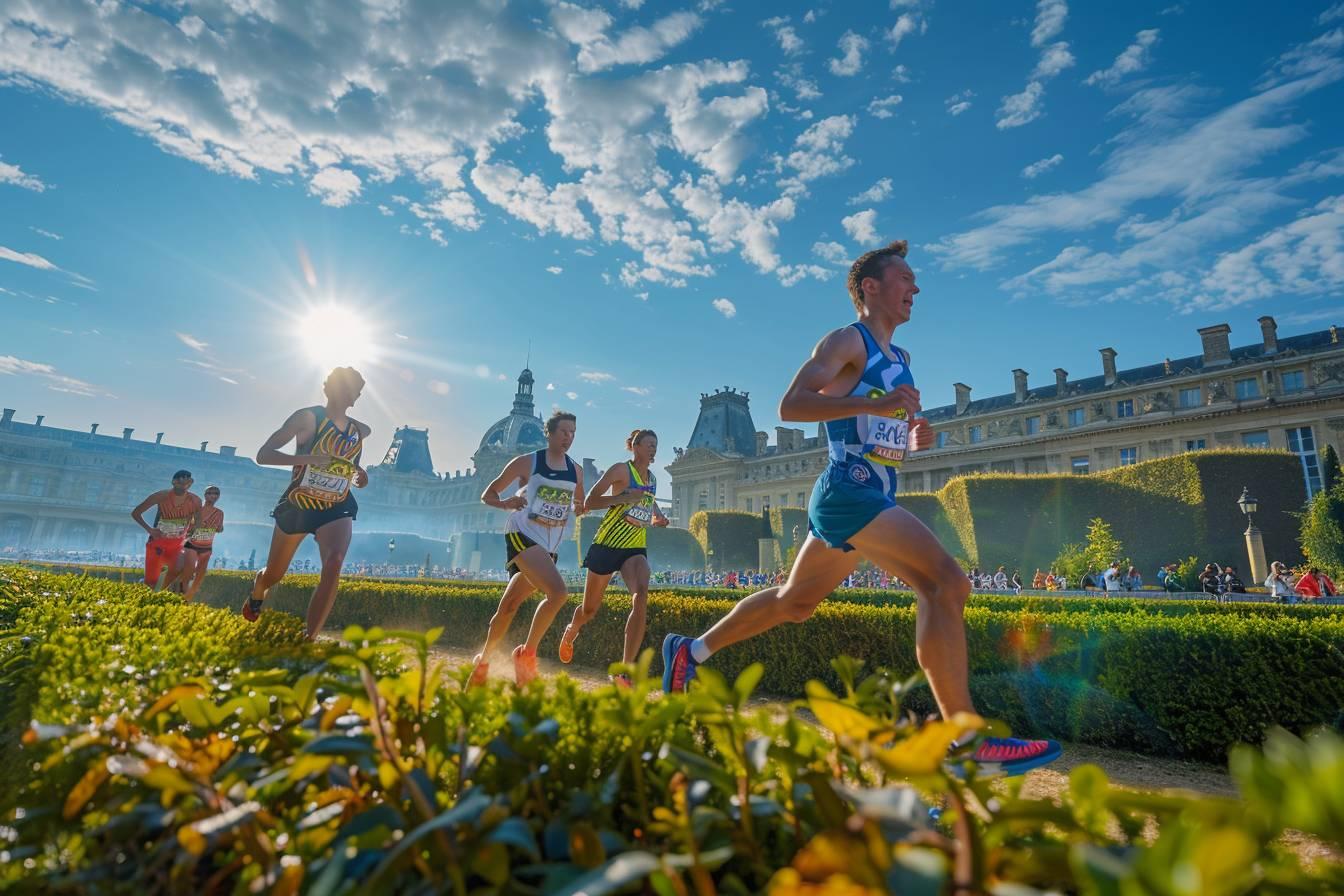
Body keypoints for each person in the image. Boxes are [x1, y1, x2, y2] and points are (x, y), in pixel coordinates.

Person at [658, 240, 1060, 776]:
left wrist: (913, 437)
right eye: (906, 279)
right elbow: (792, 405)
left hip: (872, 489)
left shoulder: (903, 360)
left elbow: (884, 433)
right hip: (851, 489)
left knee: (794, 602)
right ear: (871, 287)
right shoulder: (848, 340)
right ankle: (965, 740)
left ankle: (690, 651)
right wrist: (869, 404)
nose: (915, 289)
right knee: (945, 583)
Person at [241, 367, 370, 638]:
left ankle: (309, 638)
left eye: (356, 391)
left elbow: (350, 463)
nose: (353, 396)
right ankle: (258, 589)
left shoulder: (360, 430)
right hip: (299, 504)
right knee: (274, 574)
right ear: (331, 388)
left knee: (334, 562)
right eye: (349, 389)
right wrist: (309, 459)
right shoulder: (307, 418)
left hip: (337, 504)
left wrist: (360, 474)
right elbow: (264, 455)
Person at [468, 411, 584, 687]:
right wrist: (507, 503)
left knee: (508, 607)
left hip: (548, 545)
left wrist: (579, 508)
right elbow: (488, 494)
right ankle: (526, 653)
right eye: (563, 432)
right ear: (550, 433)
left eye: (573, 433)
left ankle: (482, 662)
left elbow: (578, 502)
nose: (568, 437)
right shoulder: (527, 462)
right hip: (522, 534)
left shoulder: (576, 470)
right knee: (558, 593)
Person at [559, 429, 670, 687]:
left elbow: (648, 504)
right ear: (636, 446)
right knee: (589, 610)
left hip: (634, 549)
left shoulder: (652, 479)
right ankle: (571, 630)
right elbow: (590, 501)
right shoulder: (621, 470)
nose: (654, 449)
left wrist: (657, 517)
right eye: (650, 444)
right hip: (607, 545)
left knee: (641, 596)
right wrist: (623, 498)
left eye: (657, 445)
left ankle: (624, 672)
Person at [130, 470, 203, 590]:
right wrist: (150, 529)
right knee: (152, 582)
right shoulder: (161, 495)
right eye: (180, 481)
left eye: (187, 482)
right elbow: (136, 513)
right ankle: (147, 589)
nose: (184, 485)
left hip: (178, 543)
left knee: (181, 568)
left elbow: (198, 521)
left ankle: (166, 594)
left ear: (191, 483)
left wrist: (190, 535)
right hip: (158, 542)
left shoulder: (195, 501)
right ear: (173, 482)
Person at [180, 485, 224, 601]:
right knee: (189, 572)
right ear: (205, 495)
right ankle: (181, 594)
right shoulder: (196, 510)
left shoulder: (220, 513)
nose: (213, 496)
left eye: (216, 494)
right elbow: (187, 526)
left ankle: (188, 598)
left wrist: (217, 528)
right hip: (192, 544)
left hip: (207, 546)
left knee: (200, 576)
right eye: (210, 493)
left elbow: (220, 528)